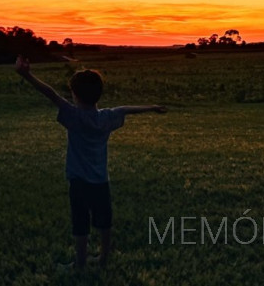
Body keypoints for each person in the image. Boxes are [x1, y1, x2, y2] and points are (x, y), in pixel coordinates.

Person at [14, 55, 167, 270]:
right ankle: (103, 259)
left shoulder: (73, 116)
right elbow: (126, 109)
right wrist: (152, 106)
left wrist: (26, 74)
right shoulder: (106, 117)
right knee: (104, 221)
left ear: (75, 94)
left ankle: (80, 263)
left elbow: (50, 93)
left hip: (78, 181)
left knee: (80, 224)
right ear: (99, 94)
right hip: (101, 180)